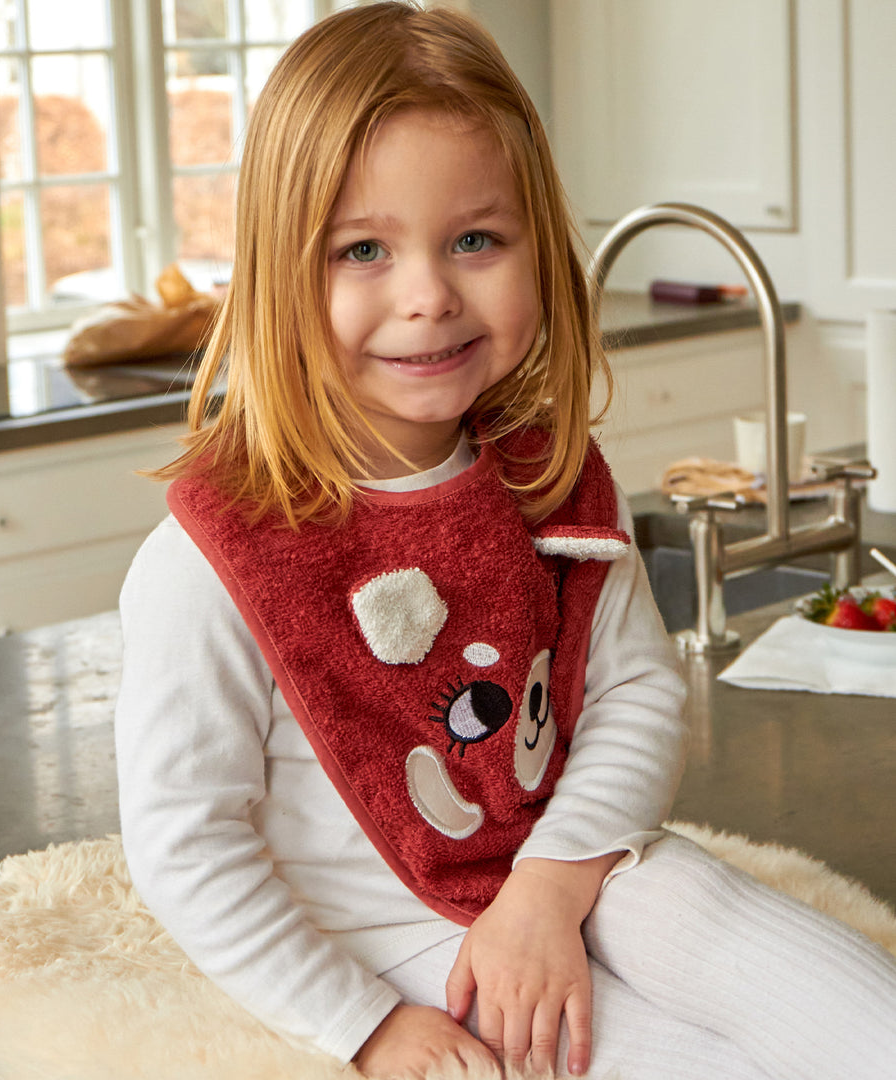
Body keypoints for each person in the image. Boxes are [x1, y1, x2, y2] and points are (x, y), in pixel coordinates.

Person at [114, 4, 896, 1078]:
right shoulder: (214, 562)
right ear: (276, 274)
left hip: (573, 874)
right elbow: (187, 847)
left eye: (475, 239)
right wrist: (365, 1025)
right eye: (362, 251)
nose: (429, 295)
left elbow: (630, 696)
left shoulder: (550, 478)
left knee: (701, 905)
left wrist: (548, 886)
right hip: (397, 945)